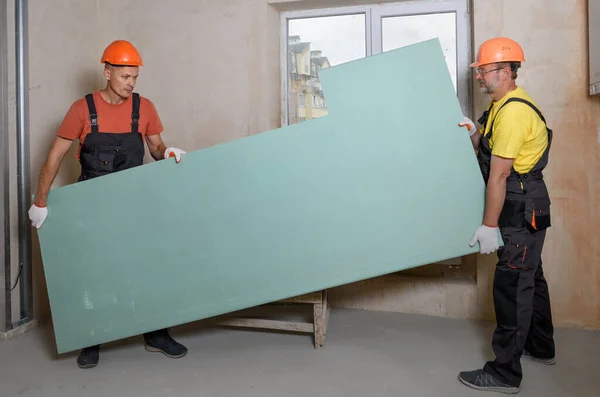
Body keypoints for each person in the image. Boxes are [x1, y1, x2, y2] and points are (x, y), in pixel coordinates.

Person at [28, 40, 189, 369]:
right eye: (125, 76)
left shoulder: (144, 108)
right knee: (92, 271)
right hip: (91, 205)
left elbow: (156, 148)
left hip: (134, 202)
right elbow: (54, 156)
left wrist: (168, 152)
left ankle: (156, 333)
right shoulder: (81, 109)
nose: (131, 83)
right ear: (107, 72)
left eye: (135, 77)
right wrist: (40, 201)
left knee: (146, 266)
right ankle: (91, 337)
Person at [457, 37, 556, 394]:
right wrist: (474, 133)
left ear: (504, 70)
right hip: (527, 203)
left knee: (513, 285)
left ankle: (504, 374)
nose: (480, 77)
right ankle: (541, 347)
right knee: (532, 278)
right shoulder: (500, 105)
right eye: (480, 71)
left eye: (483, 70)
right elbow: (489, 145)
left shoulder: (514, 111)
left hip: (519, 204)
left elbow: (498, 175)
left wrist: (487, 225)